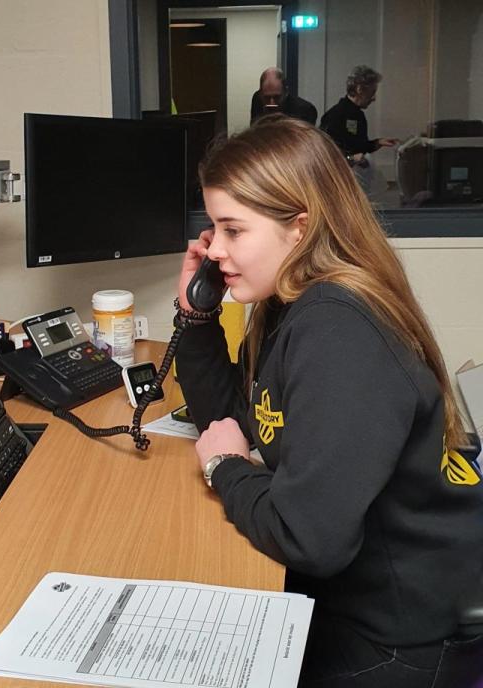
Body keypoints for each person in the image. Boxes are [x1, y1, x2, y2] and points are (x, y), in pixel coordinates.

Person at [173, 115, 483, 687]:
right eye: (213, 228)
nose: (213, 248)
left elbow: (307, 537)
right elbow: (235, 419)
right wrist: (196, 316)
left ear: (300, 227)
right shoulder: (287, 304)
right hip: (354, 596)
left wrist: (225, 469)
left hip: (398, 635)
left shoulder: (338, 332)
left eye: (232, 230)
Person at [320, 65, 399, 166]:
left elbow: (359, 147)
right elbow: (325, 154)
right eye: (372, 92)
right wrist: (351, 158)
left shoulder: (358, 115)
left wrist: (378, 143)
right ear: (359, 89)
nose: (374, 98)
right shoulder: (334, 116)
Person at [250, 67, 317, 125]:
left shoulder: (305, 110)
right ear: (260, 93)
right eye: (267, 98)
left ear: (286, 92)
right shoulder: (257, 99)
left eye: (277, 97)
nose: (271, 103)